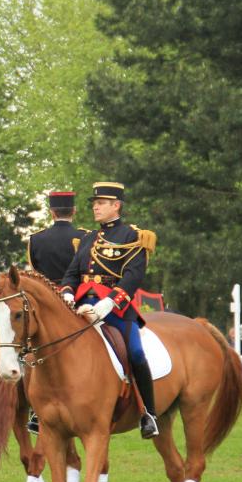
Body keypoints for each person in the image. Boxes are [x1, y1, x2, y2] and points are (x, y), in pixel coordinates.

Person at [61, 182, 159, 439]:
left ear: (116, 205)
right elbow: (72, 273)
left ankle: (149, 413)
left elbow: (133, 276)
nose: (95, 207)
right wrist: (68, 293)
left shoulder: (132, 237)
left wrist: (110, 303)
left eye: (101, 203)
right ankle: (43, 411)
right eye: (94, 203)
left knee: (136, 353)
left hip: (116, 309)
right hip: (80, 307)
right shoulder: (87, 239)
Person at [23, 190, 91, 432]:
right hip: (77, 301)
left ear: (51, 212)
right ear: (73, 211)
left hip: (46, 306)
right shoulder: (85, 237)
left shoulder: (36, 240)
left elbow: (37, 276)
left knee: (34, 353)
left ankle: (35, 411)